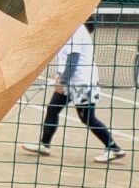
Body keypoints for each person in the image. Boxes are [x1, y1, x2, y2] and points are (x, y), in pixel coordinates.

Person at [22, 20, 124, 162]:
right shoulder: (68, 29)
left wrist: (63, 81)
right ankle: (44, 145)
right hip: (70, 81)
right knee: (53, 109)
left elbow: (73, 60)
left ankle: (114, 149)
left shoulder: (77, 30)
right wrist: (59, 75)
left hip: (82, 83)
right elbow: (65, 58)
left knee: (88, 118)